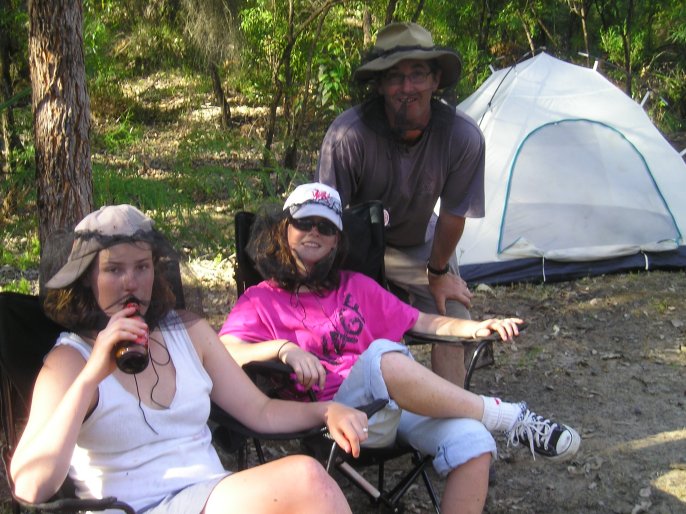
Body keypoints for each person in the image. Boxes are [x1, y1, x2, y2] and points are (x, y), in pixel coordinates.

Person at [219, 183, 581, 514]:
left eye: (326, 227)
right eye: (304, 222)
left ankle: (495, 421)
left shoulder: (356, 285)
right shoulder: (260, 300)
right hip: (335, 418)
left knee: (474, 441)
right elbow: (225, 350)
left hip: (394, 406)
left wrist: (474, 328)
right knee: (380, 354)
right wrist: (282, 349)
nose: (314, 231)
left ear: (335, 242)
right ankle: (508, 417)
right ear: (284, 231)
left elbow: (422, 322)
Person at [10, 204, 368, 514]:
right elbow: (30, 486)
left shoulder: (188, 334)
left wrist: (325, 411)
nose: (131, 283)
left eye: (142, 267)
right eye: (114, 270)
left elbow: (260, 410)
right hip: (134, 506)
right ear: (89, 277)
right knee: (307, 480)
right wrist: (91, 375)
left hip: (210, 493)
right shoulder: (70, 361)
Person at [315, 22, 484, 388]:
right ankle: (354, 405)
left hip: (419, 243)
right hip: (356, 245)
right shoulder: (348, 136)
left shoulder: (462, 136)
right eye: (395, 77)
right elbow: (327, 220)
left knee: (452, 315)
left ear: (435, 80)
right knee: (348, 321)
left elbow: (454, 215)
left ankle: (454, 424)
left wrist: (438, 274)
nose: (407, 88)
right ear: (378, 85)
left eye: (418, 75)